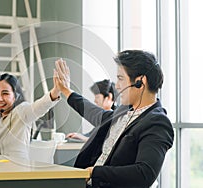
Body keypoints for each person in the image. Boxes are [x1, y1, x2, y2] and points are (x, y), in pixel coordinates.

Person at [54, 50, 174, 187]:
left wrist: (95, 172)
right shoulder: (124, 111)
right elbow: (95, 113)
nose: (116, 86)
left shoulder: (157, 123)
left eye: (121, 78)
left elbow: (144, 173)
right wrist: (66, 91)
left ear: (140, 82)